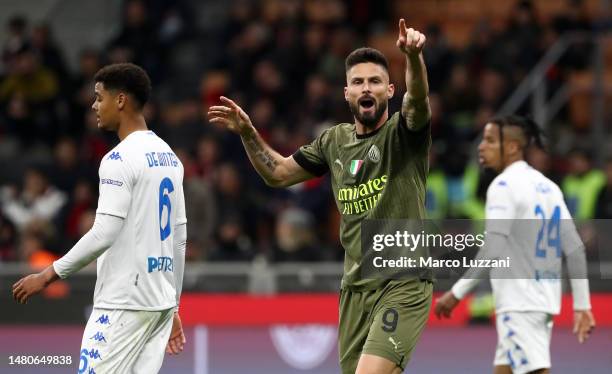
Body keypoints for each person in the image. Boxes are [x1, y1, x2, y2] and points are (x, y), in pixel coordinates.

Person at [208, 19, 432, 374]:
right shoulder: (334, 141)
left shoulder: (404, 133)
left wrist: (414, 59)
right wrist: (249, 133)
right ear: (346, 93)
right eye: (357, 82)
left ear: (390, 90)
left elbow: (417, 100)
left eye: (375, 81)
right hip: (355, 290)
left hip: (402, 283)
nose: (366, 88)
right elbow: (278, 173)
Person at [12, 63, 187, 373]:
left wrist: (47, 274)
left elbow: (104, 232)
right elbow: (179, 236)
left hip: (123, 302)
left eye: (99, 97)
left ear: (120, 100)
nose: (94, 105)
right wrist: (172, 305)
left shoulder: (118, 160)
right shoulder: (169, 156)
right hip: (158, 303)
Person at [434, 115, 596, 374]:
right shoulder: (550, 187)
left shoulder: (504, 185)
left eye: (489, 140)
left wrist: (457, 292)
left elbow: (493, 248)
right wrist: (582, 304)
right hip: (543, 300)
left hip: (518, 302)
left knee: (535, 371)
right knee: (505, 369)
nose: (480, 146)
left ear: (511, 147)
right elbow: (575, 248)